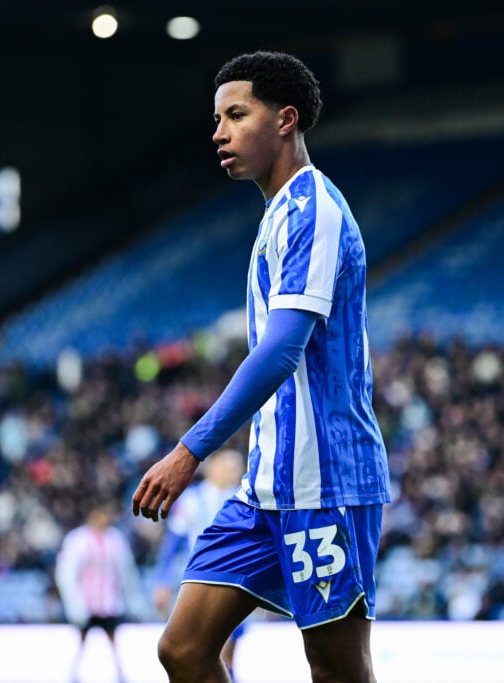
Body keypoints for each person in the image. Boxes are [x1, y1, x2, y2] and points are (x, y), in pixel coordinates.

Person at [132, 51, 391, 683]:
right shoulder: (278, 215)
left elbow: (281, 350)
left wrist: (189, 450)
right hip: (266, 486)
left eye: (236, 114)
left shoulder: (315, 210)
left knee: (338, 671)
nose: (219, 132)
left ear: (286, 120)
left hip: (326, 482)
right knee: (183, 649)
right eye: (217, 118)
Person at [151, 449, 245, 675]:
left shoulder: (244, 498)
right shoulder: (192, 500)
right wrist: (162, 581)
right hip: (202, 578)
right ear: (212, 468)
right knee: (207, 647)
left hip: (241, 579)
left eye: (238, 466)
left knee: (229, 648)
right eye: (230, 466)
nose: (236, 471)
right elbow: (173, 543)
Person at [55, 502, 145, 683]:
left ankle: (119, 672)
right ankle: (74, 673)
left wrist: (134, 600)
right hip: (86, 603)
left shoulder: (115, 539)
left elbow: (126, 572)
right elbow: (66, 573)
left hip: (109, 602)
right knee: (82, 638)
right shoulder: (78, 540)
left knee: (112, 638)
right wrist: (74, 604)